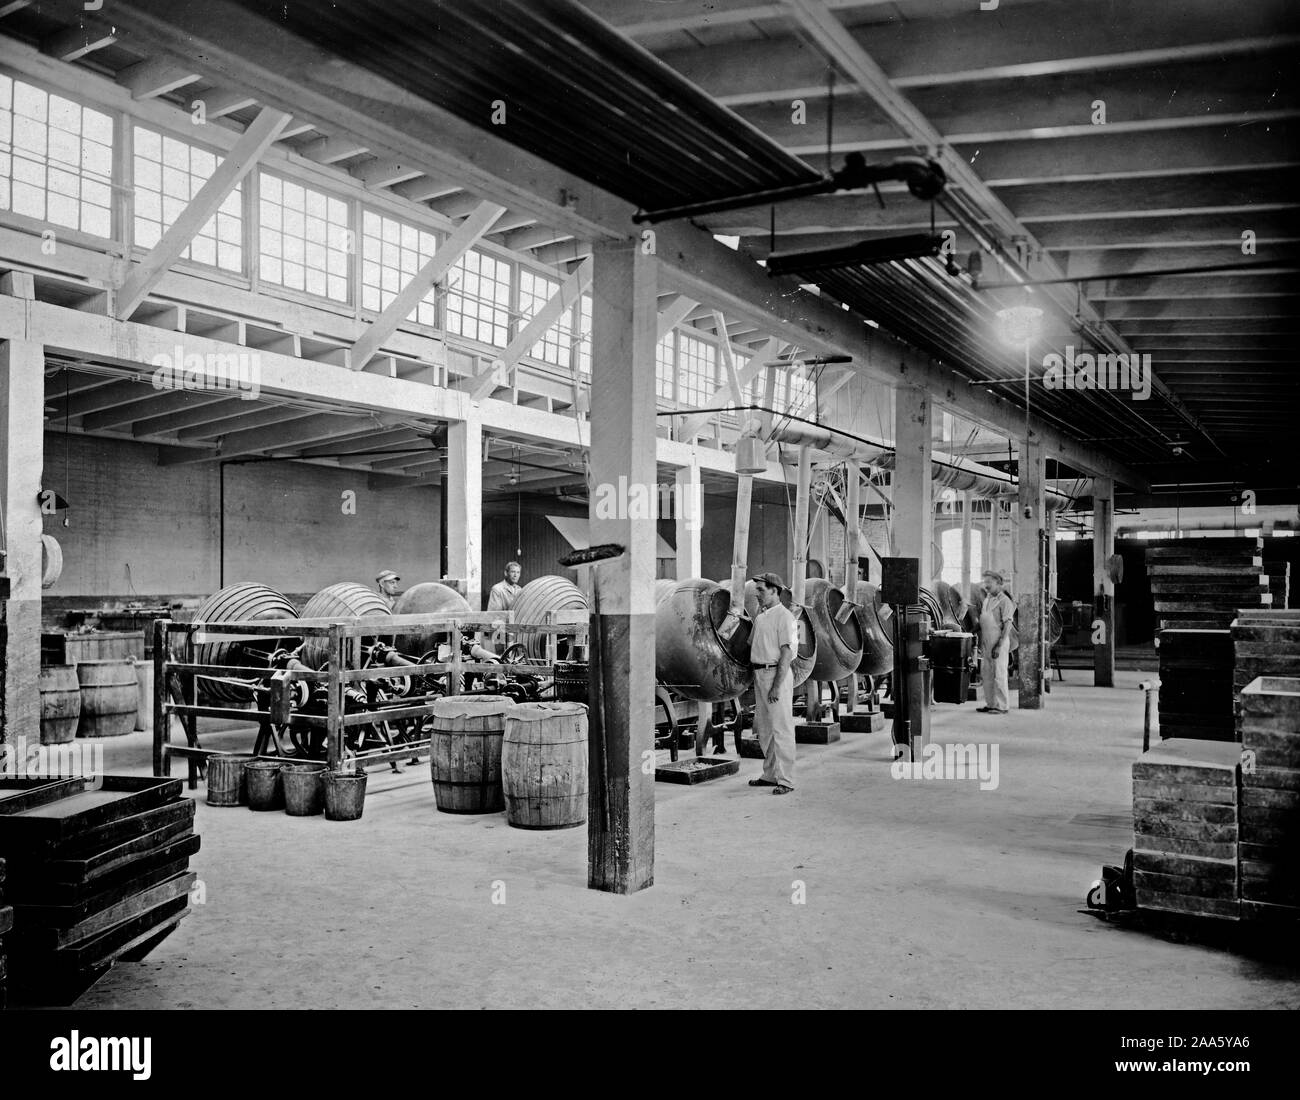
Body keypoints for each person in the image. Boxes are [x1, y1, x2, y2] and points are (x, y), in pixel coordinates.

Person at [746, 572, 797, 796]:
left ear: (775, 591)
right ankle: (770, 774)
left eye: (761, 590)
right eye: (756, 590)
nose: (757, 594)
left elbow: (786, 653)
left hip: (776, 675)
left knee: (781, 728)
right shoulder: (760, 617)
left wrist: (776, 686)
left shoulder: (785, 617)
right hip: (760, 674)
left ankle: (786, 779)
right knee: (766, 729)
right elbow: (752, 646)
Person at [977, 570, 1016, 714]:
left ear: (999, 583)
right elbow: (983, 621)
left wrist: (999, 646)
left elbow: (1007, 626)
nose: (986, 585)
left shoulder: (1005, 601)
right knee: (986, 674)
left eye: (989, 582)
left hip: (999, 641)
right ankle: (991, 704)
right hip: (987, 642)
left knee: (999, 674)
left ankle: (1003, 706)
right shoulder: (987, 599)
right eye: (985, 582)